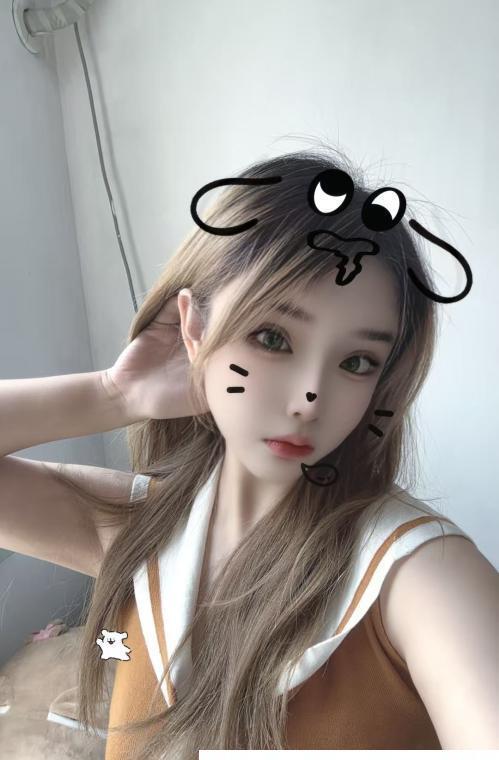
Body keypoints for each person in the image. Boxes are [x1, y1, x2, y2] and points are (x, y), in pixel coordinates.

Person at [0, 147, 494, 758]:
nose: (309, 399)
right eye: (272, 337)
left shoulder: (423, 573)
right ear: (194, 328)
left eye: (357, 361)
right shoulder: (137, 528)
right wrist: (114, 393)